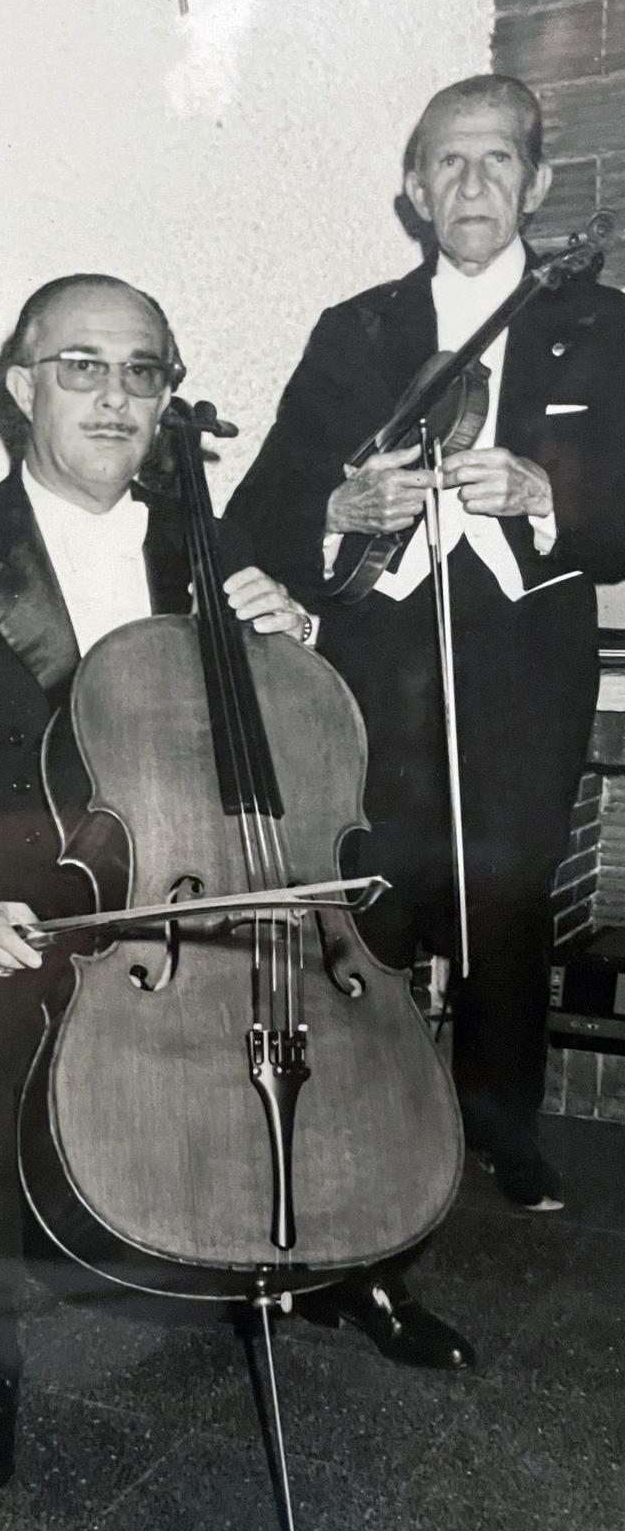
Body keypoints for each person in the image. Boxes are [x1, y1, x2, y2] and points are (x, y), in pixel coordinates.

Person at [0, 274, 471, 1506]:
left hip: (208, 891)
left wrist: (288, 634)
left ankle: (350, 1260)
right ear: (20, 388)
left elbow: (290, 749)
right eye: (81, 365)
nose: (116, 396)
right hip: (39, 911)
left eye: (145, 371)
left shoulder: (208, 545)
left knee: (347, 984)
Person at [228, 74, 625, 1213]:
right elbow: (265, 506)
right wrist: (336, 515)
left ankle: (505, 1126)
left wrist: (548, 494)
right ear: (414, 189)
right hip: (381, 644)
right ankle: (364, 1113)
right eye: (448, 162)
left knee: (509, 888)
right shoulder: (356, 329)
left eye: (497, 160)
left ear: (538, 183)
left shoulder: (601, 325)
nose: (473, 183)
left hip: (526, 644)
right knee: (377, 888)